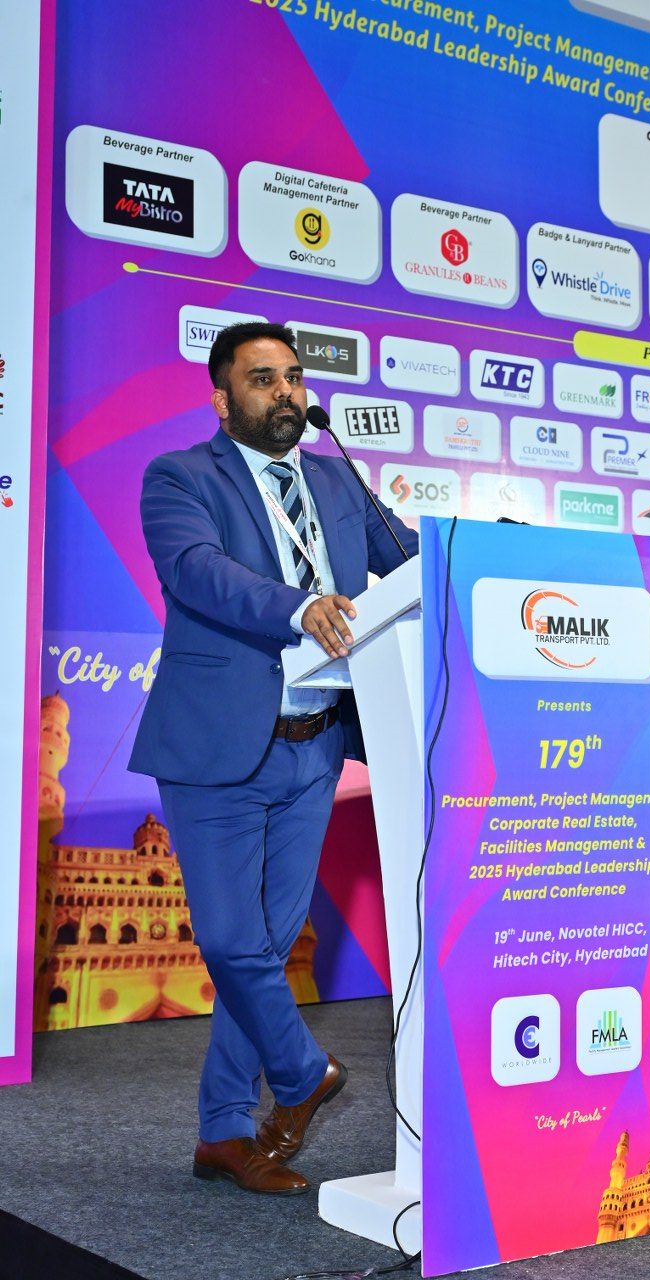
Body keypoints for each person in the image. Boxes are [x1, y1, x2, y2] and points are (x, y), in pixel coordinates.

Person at [129, 321, 418, 1193]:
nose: (286, 391)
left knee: (266, 945)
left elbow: (407, 558)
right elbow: (196, 570)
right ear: (223, 399)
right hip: (216, 747)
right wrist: (299, 608)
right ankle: (301, 1073)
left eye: (293, 376)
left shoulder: (336, 480)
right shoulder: (181, 477)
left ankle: (223, 1130)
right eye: (263, 379)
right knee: (232, 940)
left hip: (314, 746)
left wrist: (487, 558)